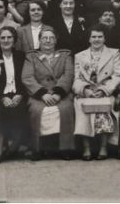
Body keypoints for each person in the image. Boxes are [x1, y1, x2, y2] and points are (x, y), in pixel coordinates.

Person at [22, 26, 75, 160]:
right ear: (39, 41)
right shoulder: (31, 56)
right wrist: (42, 94)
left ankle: (65, 148)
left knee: (66, 108)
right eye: (44, 38)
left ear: (56, 41)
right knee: (36, 110)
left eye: (51, 38)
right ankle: (37, 149)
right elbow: (27, 77)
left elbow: (68, 75)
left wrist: (58, 93)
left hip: (61, 93)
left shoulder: (65, 55)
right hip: (39, 94)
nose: (48, 41)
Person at [73, 25, 120, 161]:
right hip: (87, 91)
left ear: (104, 38)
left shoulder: (113, 53)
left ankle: (103, 147)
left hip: (105, 91)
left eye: (100, 36)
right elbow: (77, 78)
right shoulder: (80, 56)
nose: (97, 39)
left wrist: (103, 90)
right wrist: (85, 91)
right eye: (93, 36)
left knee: (104, 108)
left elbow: (117, 75)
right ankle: (86, 147)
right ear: (89, 39)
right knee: (81, 107)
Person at [0, 26, 27, 163]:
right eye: (3, 37)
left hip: (18, 94)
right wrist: (2, 97)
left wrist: (20, 94)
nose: (6, 40)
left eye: (9, 37)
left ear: (14, 40)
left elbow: (27, 78)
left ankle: (13, 148)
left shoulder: (21, 56)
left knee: (24, 110)